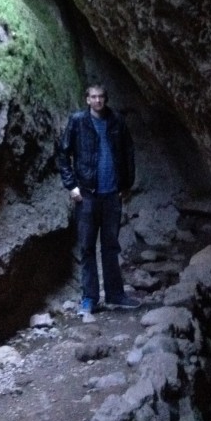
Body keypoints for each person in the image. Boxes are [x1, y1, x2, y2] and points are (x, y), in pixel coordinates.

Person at [56, 83, 141, 314]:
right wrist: (71, 185)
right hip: (86, 195)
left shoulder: (116, 121)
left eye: (101, 97)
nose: (97, 101)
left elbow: (128, 151)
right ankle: (89, 298)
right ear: (87, 100)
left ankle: (115, 295)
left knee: (110, 246)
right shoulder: (78, 121)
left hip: (112, 194)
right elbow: (63, 153)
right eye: (93, 97)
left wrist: (126, 184)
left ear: (106, 99)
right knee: (87, 247)